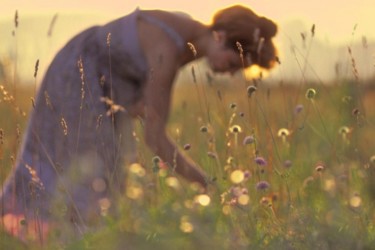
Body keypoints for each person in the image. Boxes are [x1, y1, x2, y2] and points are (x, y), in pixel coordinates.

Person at [0, 5, 277, 242]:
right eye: (234, 62)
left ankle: (79, 238)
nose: (231, 73)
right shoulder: (167, 50)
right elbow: (155, 139)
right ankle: (52, 234)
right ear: (221, 36)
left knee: (105, 176)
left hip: (100, 89)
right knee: (85, 173)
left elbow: (139, 96)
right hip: (78, 79)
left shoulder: (185, 35)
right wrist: (208, 184)